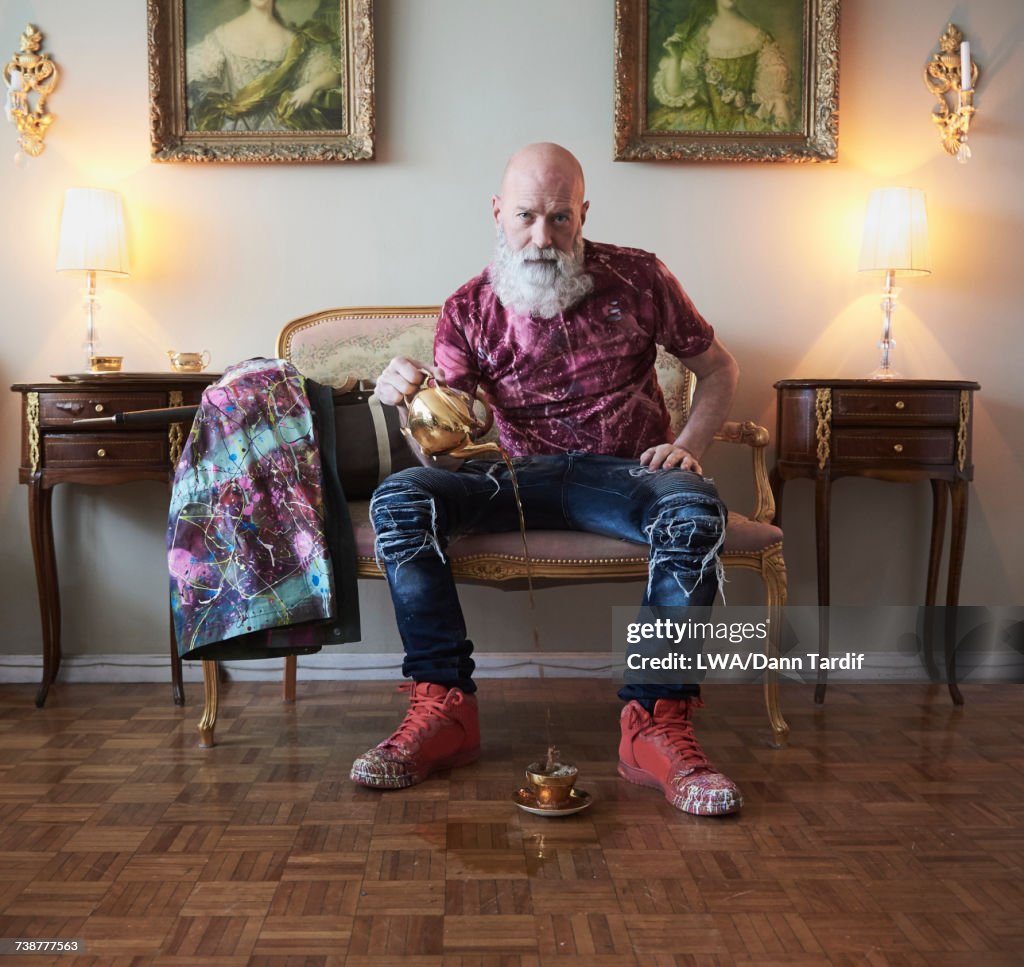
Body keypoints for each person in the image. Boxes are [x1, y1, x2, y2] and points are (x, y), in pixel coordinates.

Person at [351, 143, 743, 817]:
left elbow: (719, 368)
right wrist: (410, 397)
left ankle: (652, 721)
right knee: (400, 499)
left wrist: (687, 445)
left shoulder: (641, 277)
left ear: (583, 213)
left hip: (624, 474)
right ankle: (444, 706)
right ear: (498, 213)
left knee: (695, 509)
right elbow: (443, 453)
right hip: (514, 474)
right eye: (527, 216)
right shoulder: (468, 307)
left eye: (560, 218)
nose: (542, 236)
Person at [186, 0, 342, 132]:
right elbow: (192, 73)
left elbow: (333, 73)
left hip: (279, 127)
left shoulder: (295, 41)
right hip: (231, 127)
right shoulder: (222, 35)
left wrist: (310, 87)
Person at [650, 0, 793, 133]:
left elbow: (775, 93)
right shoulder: (699, 35)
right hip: (700, 123)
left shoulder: (760, 37)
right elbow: (675, 91)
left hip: (746, 124)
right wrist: (675, 57)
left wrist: (780, 115)